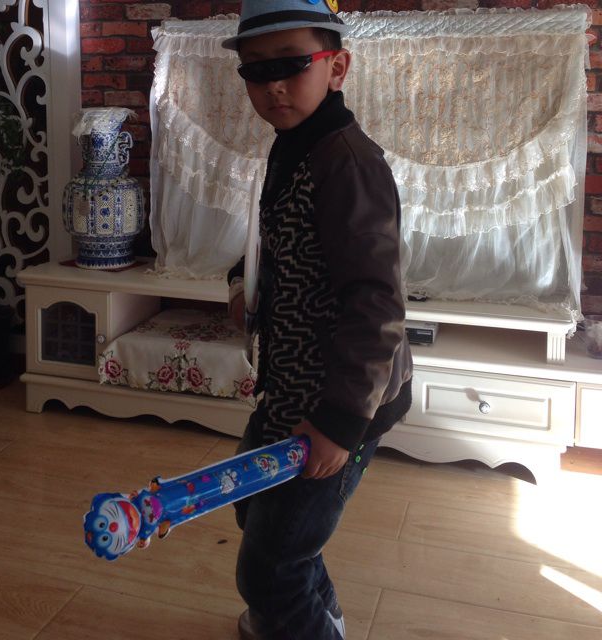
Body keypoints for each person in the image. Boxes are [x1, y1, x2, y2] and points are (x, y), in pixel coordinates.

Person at [223, 2, 413, 638]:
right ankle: (315, 613)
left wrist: (338, 423)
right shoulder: (296, 146)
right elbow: (279, 243)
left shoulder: (349, 163)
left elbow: (376, 302)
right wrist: (243, 281)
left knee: (272, 565)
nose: (273, 85)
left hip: (342, 401)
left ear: (337, 67)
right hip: (290, 390)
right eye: (256, 70)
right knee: (259, 510)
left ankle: (298, 615)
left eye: (292, 64)